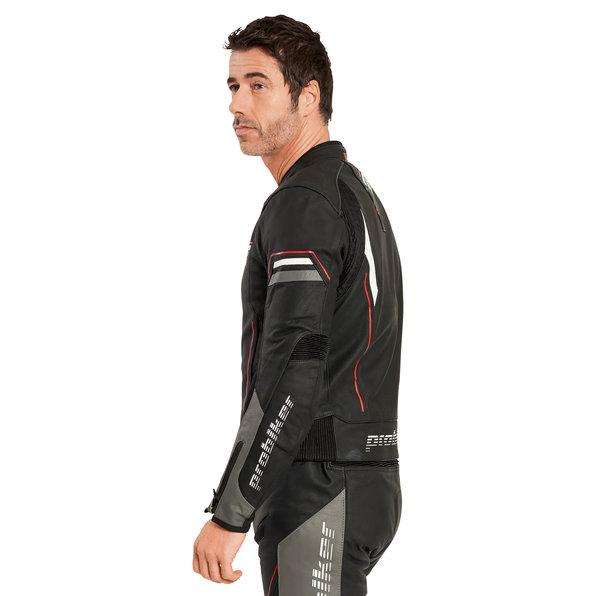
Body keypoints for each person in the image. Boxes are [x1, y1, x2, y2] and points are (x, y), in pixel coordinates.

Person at [192, 15, 404, 596]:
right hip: (364, 479)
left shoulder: (303, 203)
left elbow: (294, 367)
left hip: (317, 488)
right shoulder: (353, 190)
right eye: (233, 86)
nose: (237, 103)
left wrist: (232, 510)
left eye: (258, 85)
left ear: (308, 96)